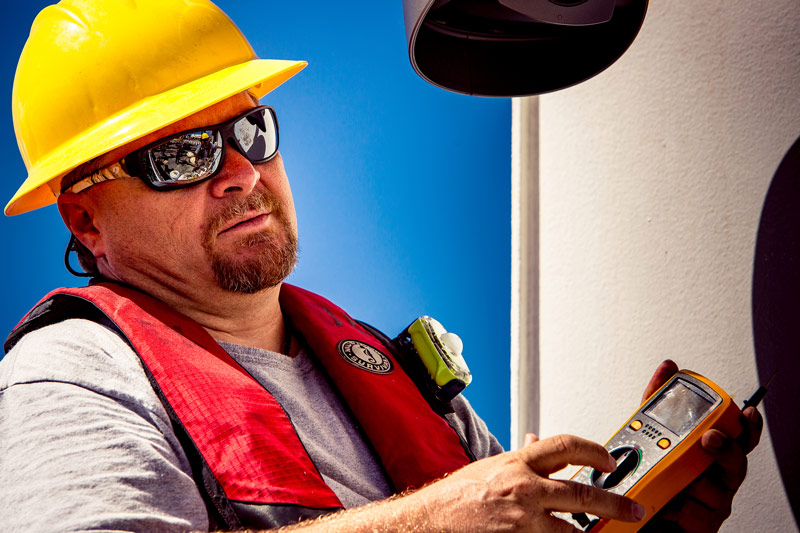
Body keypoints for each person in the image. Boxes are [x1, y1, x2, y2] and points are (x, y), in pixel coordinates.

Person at [0, 1, 762, 532]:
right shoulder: (72, 375)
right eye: (180, 155)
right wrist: (429, 521)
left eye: (250, 130)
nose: (239, 171)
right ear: (86, 219)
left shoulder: (389, 364)